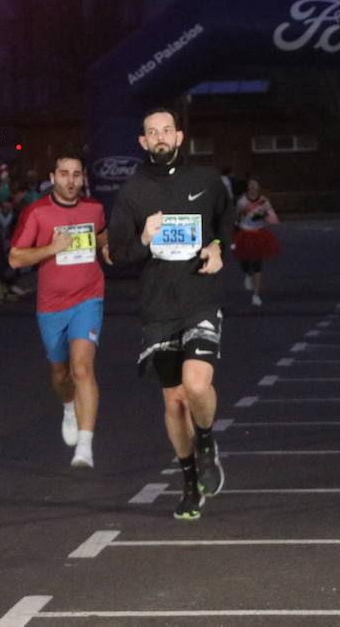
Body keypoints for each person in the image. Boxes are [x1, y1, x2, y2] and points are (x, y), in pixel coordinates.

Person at [108, 107, 234, 521]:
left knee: (196, 386)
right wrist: (144, 236)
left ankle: (208, 441)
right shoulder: (132, 192)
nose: (160, 137)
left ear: (180, 137)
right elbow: (120, 254)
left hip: (200, 295)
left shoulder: (207, 181)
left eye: (166, 130)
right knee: (175, 400)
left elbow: (224, 224)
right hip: (159, 306)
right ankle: (188, 482)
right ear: (143, 142)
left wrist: (218, 249)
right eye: (151, 133)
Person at [8, 154, 108, 468]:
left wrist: (106, 248)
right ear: (53, 176)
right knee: (61, 374)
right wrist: (52, 249)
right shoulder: (36, 213)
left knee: (82, 368)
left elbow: (102, 235)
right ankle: (68, 406)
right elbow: (15, 258)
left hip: (88, 297)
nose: (70, 180)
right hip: (51, 305)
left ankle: (85, 446)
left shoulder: (94, 209)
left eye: (76, 174)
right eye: (64, 174)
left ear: (83, 178)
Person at [233, 177, 280, 306]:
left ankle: (256, 295)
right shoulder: (242, 201)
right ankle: (248, 274)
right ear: (247, 187)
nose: (254, 187)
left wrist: (264, 215)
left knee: (257, 264)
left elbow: (273, 217)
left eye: (256, 185)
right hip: (245, 233)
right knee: (245, 262)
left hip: (259, 233)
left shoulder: (264, 201)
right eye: (251, 185)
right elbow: (236, 217)